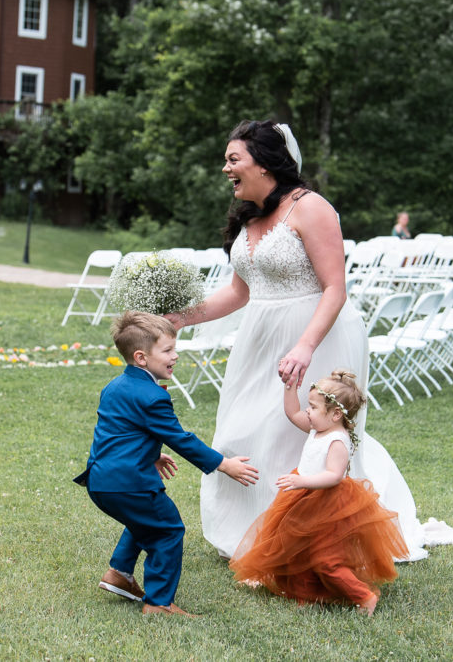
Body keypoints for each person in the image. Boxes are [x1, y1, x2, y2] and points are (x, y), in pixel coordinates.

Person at [166, 119, 432, 561]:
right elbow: (238, 292)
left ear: (265, 163)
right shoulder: (248, 216)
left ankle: (304, 540)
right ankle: (250, 532)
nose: (226, 169)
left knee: (301, 435)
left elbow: (335, 287)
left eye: (234, 159)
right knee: (242, 430)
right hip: (260, 336)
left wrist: (305, 346)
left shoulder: (310, 208)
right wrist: (178, 319)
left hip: (317, 333)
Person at [73, 311, 260, 617]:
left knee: (145, 520)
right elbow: (180, 439)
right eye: (168, 350)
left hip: (101, 480)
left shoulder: (115, 386)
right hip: (129, 483)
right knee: (168, 529)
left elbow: (121, 431)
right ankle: (159, 603)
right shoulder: (152, 396)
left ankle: (119, 573)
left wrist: (150, 453)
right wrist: (223, 464)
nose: (176, 355)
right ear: (141, 357)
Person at [229, 371, 409, 616]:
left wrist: (302, 480)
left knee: (327, 559)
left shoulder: (337, 439)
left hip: (329, 504)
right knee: (293, 544)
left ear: (336, 414)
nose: (308, 412)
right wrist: (289, 387)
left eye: (312, 407)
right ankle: (294, 586)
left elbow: (334, 476)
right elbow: (292, 414)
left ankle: (363, 595)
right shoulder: (318, 428)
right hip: (304, 496)